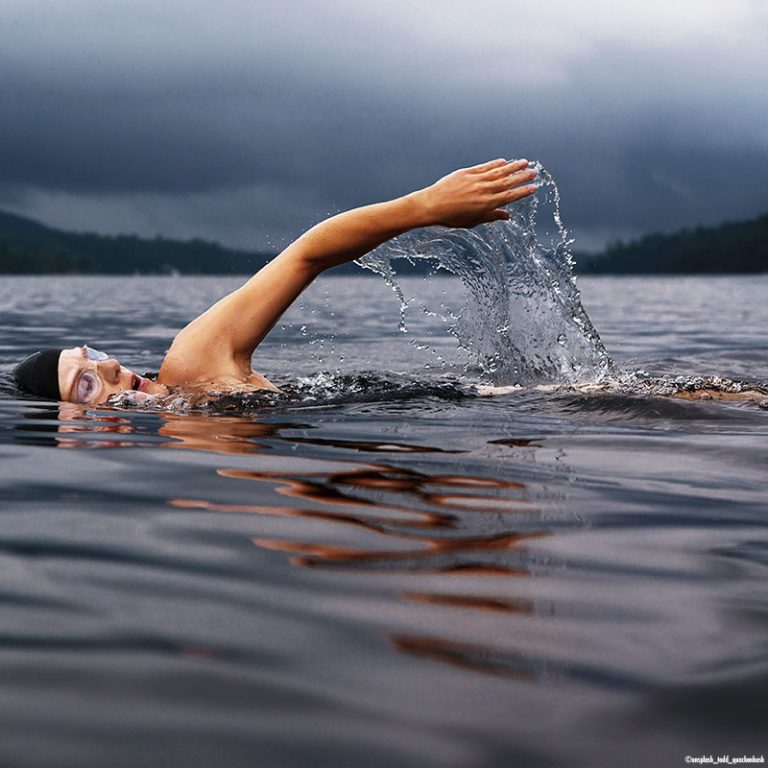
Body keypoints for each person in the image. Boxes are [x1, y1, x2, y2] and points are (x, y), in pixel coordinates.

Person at [13, 158, 538, 405]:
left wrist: (424, 207)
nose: (108, 364)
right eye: (85, 383)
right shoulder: (188, 457)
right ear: (72, 429)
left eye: (92, 354)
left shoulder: (192, 365)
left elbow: (306, 255)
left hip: (508, 402)